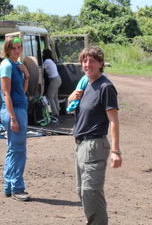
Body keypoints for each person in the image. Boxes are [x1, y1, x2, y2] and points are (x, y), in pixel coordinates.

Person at [68, 46, 122, 224]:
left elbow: (113, 120)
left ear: (100, 63)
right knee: (83, 192)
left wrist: (116, 151)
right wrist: (71, 99)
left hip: (95, 146)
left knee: (92, 193)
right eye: (84, 61)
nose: (87, 64)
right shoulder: (86, 85)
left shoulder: (106, 87)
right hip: (81, 145)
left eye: (92, 61)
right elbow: (82, 115)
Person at [0, 36, 31, 201]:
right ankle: (17, 188)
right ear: (8, 49)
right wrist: (12, 118)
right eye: (14, 48)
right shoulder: (6, 65)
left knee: (13, 149)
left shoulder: (16, 65)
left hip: (19, 108)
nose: (17, 51)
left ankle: (9, 187)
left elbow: (21, 91)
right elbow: (6, 94)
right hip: (14, 111)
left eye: (19, 47)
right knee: (18, 150)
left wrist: (26, 75)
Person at [42, 49, 62, 120]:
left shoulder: (47, 61)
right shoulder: (50, 60)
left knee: (50, 96)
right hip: (57, 79)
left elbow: (41, 68)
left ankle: (54, 113)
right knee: (55, 97)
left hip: (54, 80)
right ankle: (57, 111)